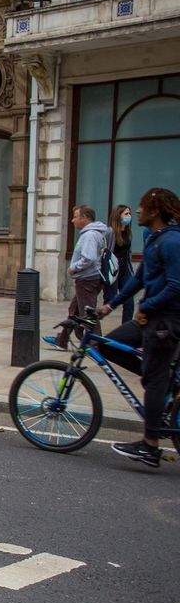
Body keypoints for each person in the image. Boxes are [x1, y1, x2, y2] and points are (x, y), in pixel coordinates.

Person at [94, 188, 180, 468]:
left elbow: (175, 286)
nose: (137, 212)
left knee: (153, 382)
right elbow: (139, 279)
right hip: (152, 316)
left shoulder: (171, 241)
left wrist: (147, 307)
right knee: (105, 344)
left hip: (166, 320)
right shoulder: (154, 239)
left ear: (155, 211)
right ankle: (160, 380)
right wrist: (110, 305)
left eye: (142, 207)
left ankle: (150, 446)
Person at [49, 205, 112, 350]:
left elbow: (88, 258)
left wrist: (73, 268)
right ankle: (62, 340)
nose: (72, 220)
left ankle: (95, 345)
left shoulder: (90, 235)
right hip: (88, 279)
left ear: (85, 218)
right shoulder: (94, 233)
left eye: (75, 217)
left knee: (88, 314)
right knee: (74, 310)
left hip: (87, 280)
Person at [109, 203, 136, 324]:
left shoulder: (128, 232)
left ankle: (126, 327)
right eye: (126, 213)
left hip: (125, 270)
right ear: (118, 215)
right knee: (109, 301)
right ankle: (88, 326)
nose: (129, 216)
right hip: (112, 270)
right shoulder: (110, 232)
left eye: (129, 213)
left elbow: (128, 252)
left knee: (129, 301)